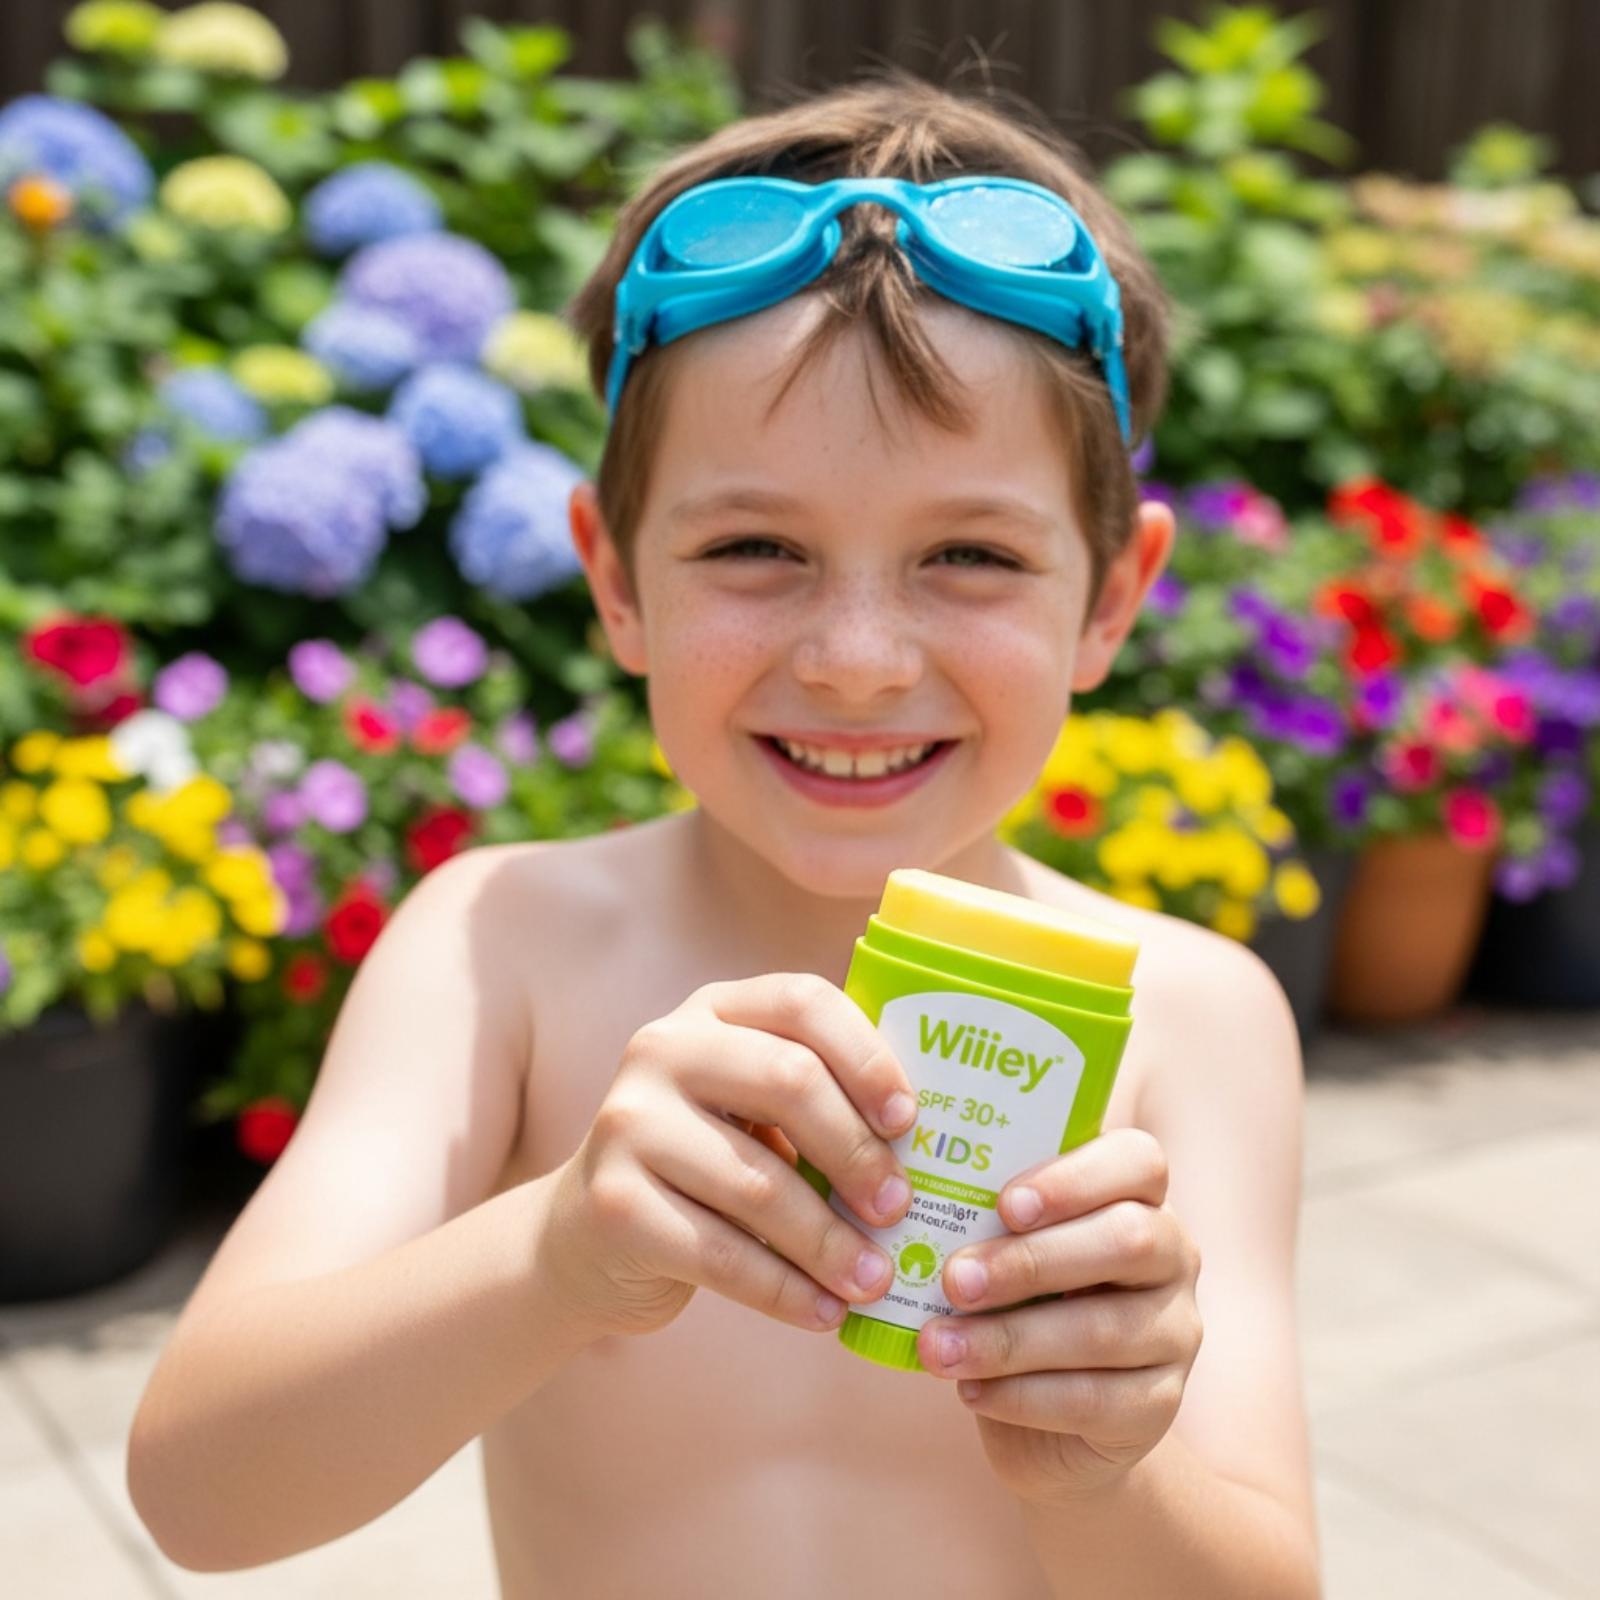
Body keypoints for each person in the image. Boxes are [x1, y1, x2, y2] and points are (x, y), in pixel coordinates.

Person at [128, 69, 1321, 1598]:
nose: (857, 660)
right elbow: (202, 1495)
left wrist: (1106, 1475)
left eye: (969, 555)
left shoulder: (1193, 1019)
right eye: (757, 547)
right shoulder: (504, 952)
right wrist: (554, 1258)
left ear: (1111, 599)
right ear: (616, 581)